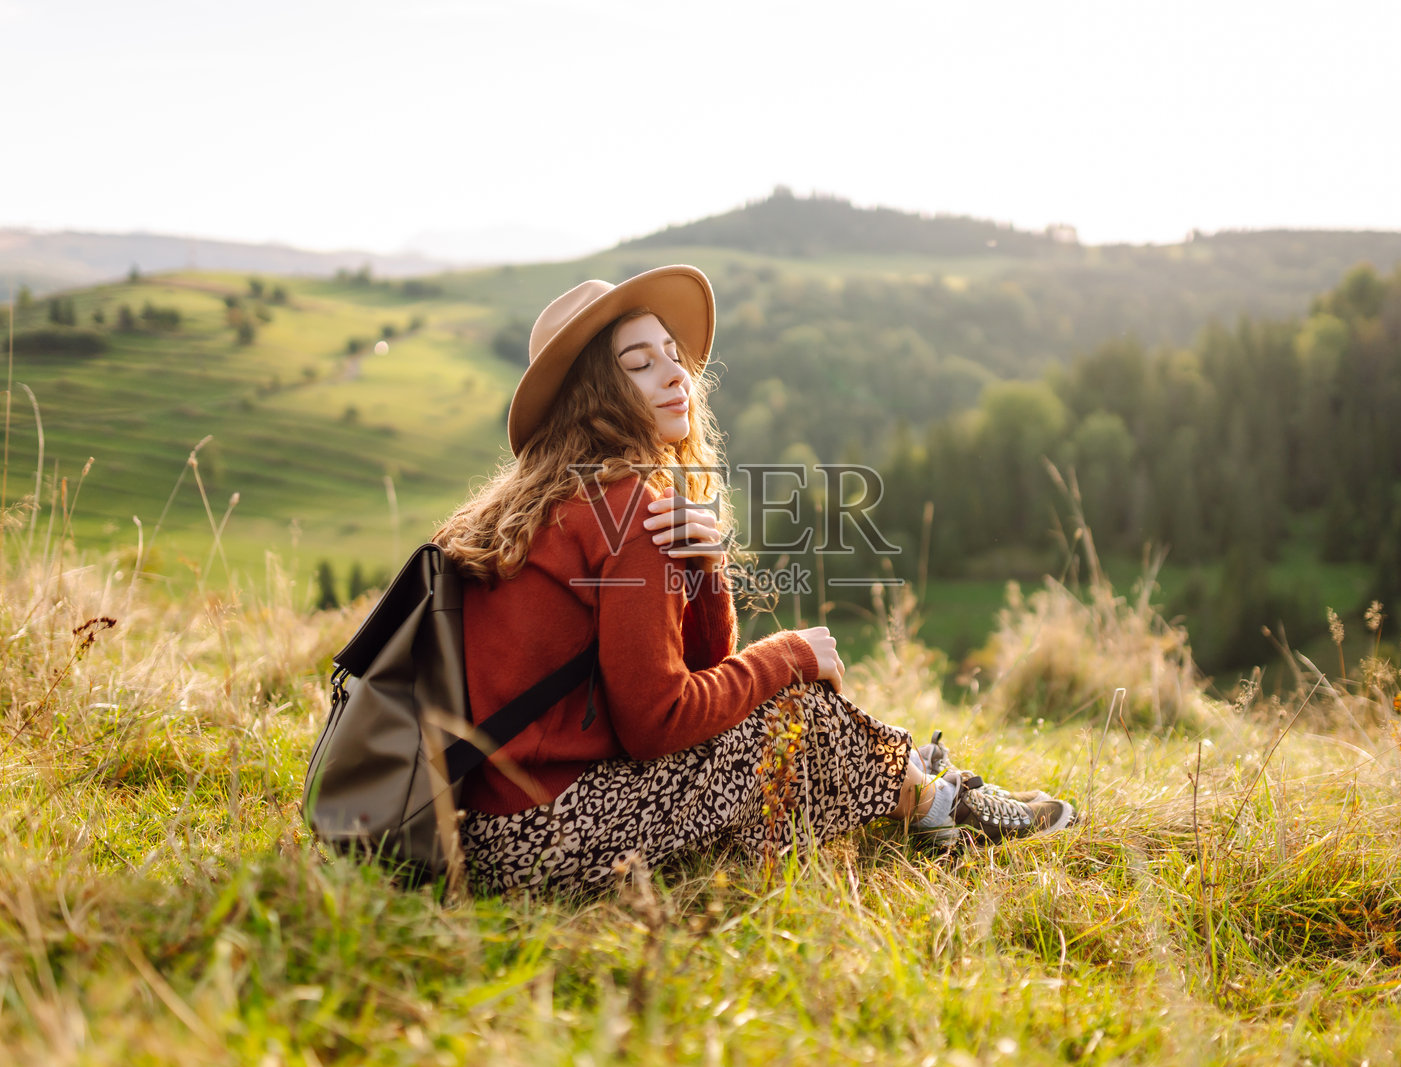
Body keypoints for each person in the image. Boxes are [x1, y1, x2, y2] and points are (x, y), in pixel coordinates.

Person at [432, 265, 1072, 894]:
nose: (676, 374)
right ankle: (938, 807)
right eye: (639, 363)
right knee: (800, 710)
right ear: (592, 393)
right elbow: (661, 722)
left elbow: (705, 672)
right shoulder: (627, 511)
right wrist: (789, 655)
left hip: (487, 828)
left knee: (774, 705)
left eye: (671, 353)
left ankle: (911, 776)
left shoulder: (546, 502)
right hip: (550, 835)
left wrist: (707, 573)